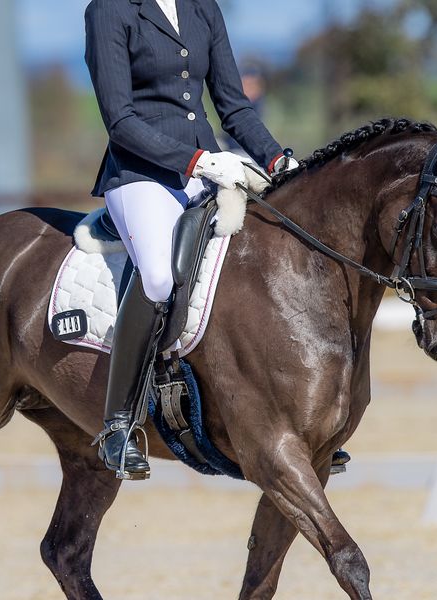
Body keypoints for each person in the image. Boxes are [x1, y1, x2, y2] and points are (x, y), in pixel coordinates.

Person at [85, 0, 298, 479]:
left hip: (208, 163)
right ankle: (118, 425)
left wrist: (278, 162)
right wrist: (197, 162)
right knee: (159, 277)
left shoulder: (202, 7)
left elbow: (233, 104)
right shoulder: (110, 10)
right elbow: (119, 119)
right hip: (141, 171)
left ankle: (288, 416)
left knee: (264, 253)